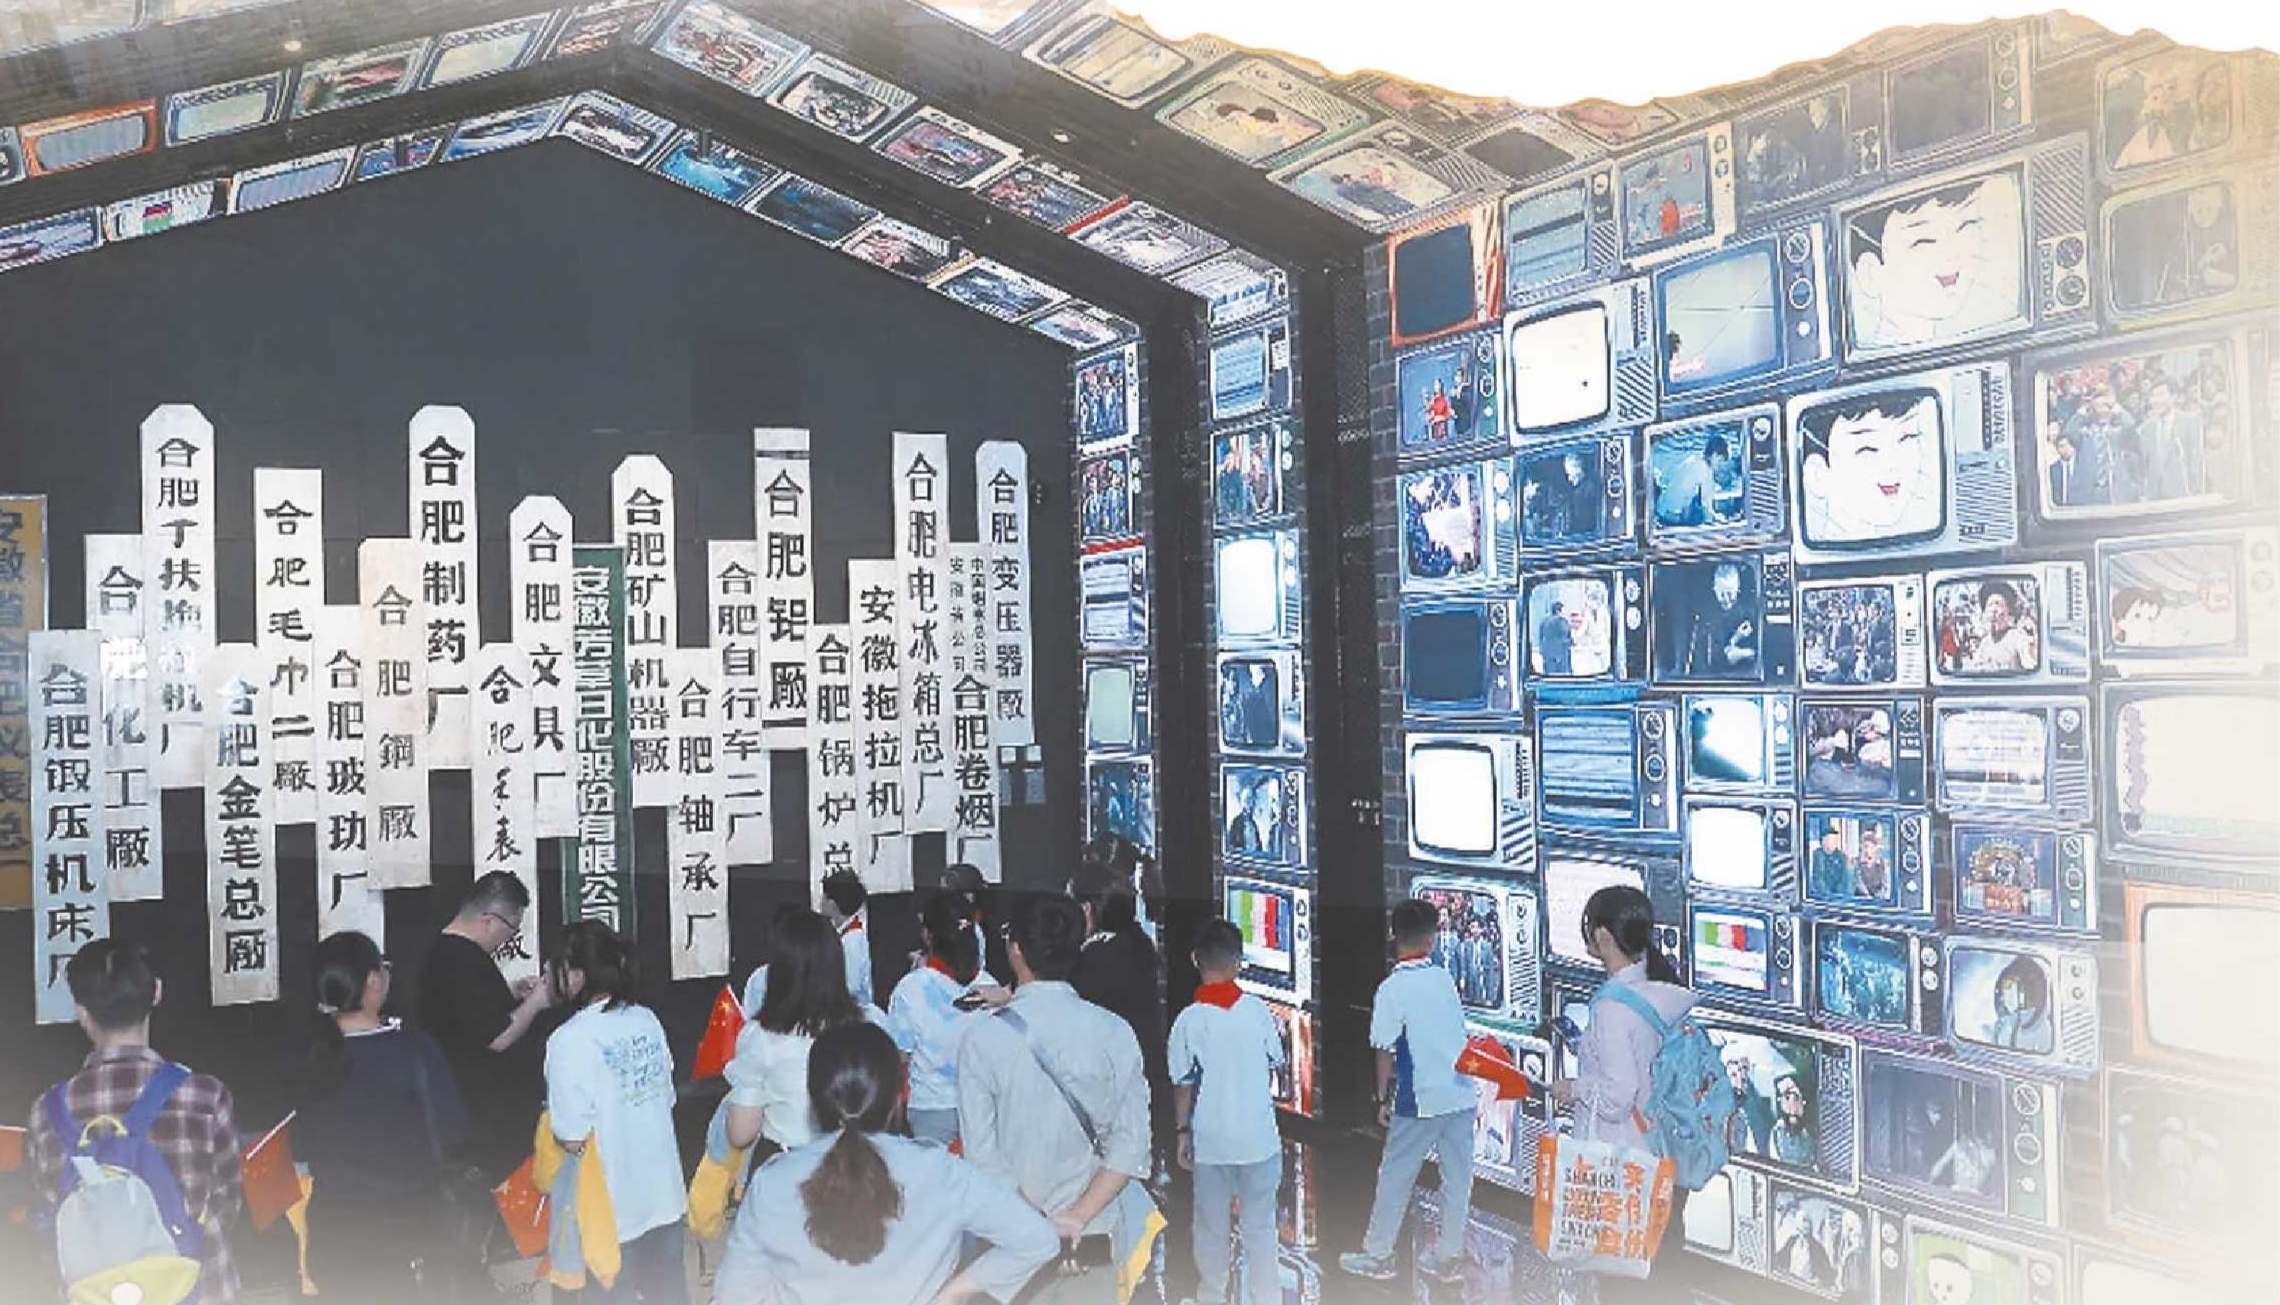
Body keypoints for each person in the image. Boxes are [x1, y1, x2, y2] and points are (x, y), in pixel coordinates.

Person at [714, 1022, 1058, 1303]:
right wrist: (953, 1294)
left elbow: (735, 1296)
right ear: (897, 1097)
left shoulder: (772, 1183)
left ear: (814, 1098)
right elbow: (1038, 1240)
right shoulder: (943, 1172)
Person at [959, 895, 1156, 1305]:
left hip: (1011, 1243)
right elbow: (1132, 1145)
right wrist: (1076, 1218)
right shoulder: (1114, 1032)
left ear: (1015, 949)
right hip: (1093, 1237)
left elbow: (982, 1158)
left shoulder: (982, 1038)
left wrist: (1038, 1227)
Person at [28, 940, 244, 1304]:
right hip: (199, 1290)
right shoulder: (204, 1096)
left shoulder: (46, 1112)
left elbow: (51, 1212)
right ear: (157, 992)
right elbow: (228, 1203)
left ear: (82, 1012)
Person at [296, 931, 469, 1302]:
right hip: (408, 1230)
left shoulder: (308, 1057)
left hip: (334, 1231)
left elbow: (301, 1146)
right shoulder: (414, 1051)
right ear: (373, 981)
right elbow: (453, 1133)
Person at [1549, 886, 1700, 1302]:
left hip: (1627, 1166)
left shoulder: (1612, 1007)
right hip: (1664, 1155)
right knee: (1663, 1274)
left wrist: (1572, 1088)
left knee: (1623, 1282)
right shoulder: (1658, 989)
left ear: (1602, 936)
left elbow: (1618, 1095)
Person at [543, 921, 688, 1304]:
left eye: (553, 968)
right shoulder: (646, 1019)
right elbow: (667, 1097)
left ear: (577, 976)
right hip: (665, 1197)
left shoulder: (568, 1040)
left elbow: (571, 1136)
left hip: (610, 1212)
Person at [1338, 899, 1472, 1285]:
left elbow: (1384, 1049)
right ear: (1432, 939)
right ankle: (1448, 1258)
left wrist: (1381, 1098)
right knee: (1457, 1181)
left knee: (1395, 1177)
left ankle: (1379, 1255)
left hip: (1420, 1100)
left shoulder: (1392, 989)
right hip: (1461, 1094)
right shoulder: (1444, 978)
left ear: (1394, 937)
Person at [1169, 921, 1285, 1305]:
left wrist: (1182, 1133)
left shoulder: (1188, 1021)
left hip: (1212, 1142)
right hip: (1260, 1140)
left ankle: (1211, 1297)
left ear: (1195, 960)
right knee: (1261, 1229)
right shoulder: (1258, 1012)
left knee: (1211, 1230)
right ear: (1238, 962)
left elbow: (1182, 1084)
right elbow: (1277, 1061)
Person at [417, 870, 557, 1180]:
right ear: (489, 920)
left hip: (452, 1103)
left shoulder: (439, 950)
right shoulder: (466, 960)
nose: (508, 939)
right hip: (477, 1112)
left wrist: (512, 994)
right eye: (511, 930)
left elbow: (466, 1013)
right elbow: (497, 1036)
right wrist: (538, 1001)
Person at [727, 909, 877, 1155]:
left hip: (791, 1166)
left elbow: (740, 1134)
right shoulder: (871, 1021)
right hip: (858, 1164)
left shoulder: (761, 1038)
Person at [884, 888, 1009, 1146]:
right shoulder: (992, 987)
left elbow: (899, 1057)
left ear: (928, 935)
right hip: (983, 1108)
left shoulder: (911, 988)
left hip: (930, 1110)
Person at [1683, 562, 1758, 678]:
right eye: (1722, 594)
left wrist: (1745, 654)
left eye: (1730, 593)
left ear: (1738, 589)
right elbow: (1704, 661)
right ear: (1714, 589)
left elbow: (1766, 654)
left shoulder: (1750, 612)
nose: (1726, 599)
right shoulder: (1705, 617)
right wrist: (1734, 640)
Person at [819, 869, 876, 1008]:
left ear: (832, 904)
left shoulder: (852, 940)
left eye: (824, 897)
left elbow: (851, 987)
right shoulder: (840, 933)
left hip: (855, 1012)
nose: (820, 901)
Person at [1655, 434, 1735, 527]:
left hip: (1662, 509)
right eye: (1721, 461)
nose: (1720, 466)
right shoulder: (1706, 471)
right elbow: (1707, 511)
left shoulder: (1694, 459)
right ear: (1714, 455)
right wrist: (1721, 520)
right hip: (1673, 517)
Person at [1986, 956, 2053, 1053]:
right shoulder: (2000, 1027)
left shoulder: (2043, 1030)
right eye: (2004, 988)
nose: (2005, 994)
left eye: (2010, 986)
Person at [1768, 1074, 1816, 1167]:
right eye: (1787, 1098)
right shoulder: (1776, 1133)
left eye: (1796, 1098)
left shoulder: (1813, 1134)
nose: (1792, 1107)